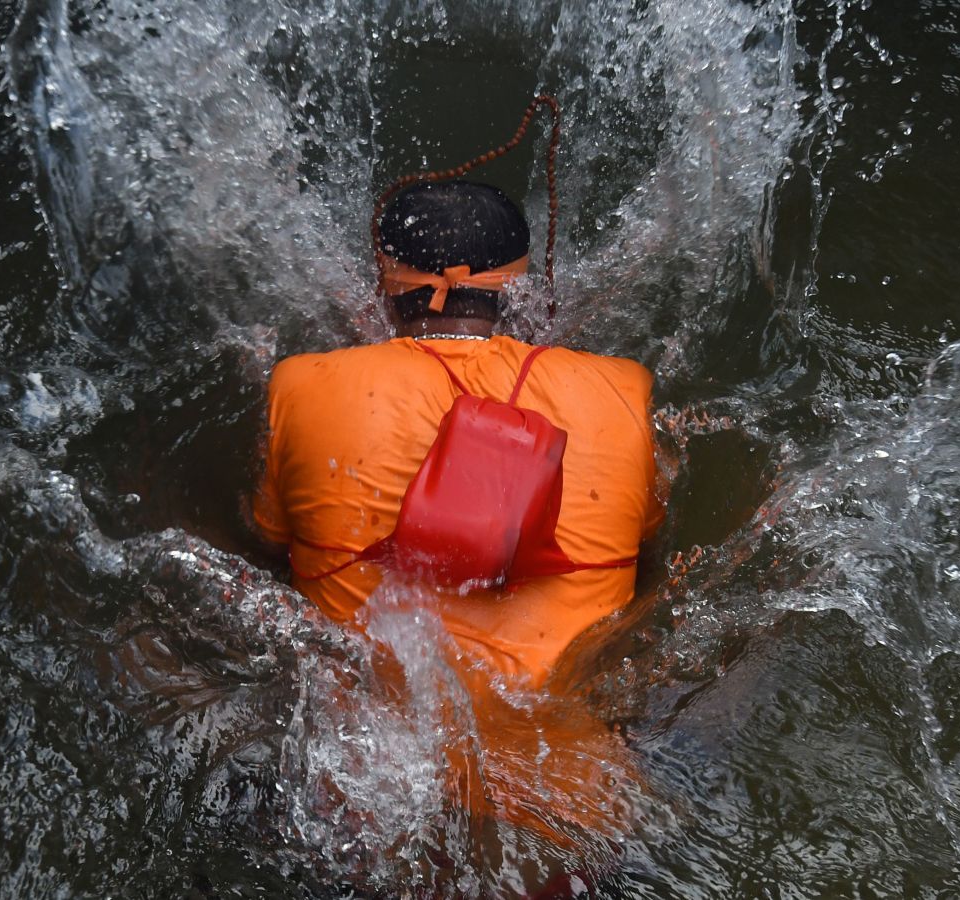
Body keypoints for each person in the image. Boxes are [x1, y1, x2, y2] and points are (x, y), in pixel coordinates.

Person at [251, 180, 667, 868]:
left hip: (365, 808)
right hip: (568, 818)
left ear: (383, 283)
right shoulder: (624, 390)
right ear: (519, 289)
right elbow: (648, 546)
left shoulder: (301, 384)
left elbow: (265, 538)